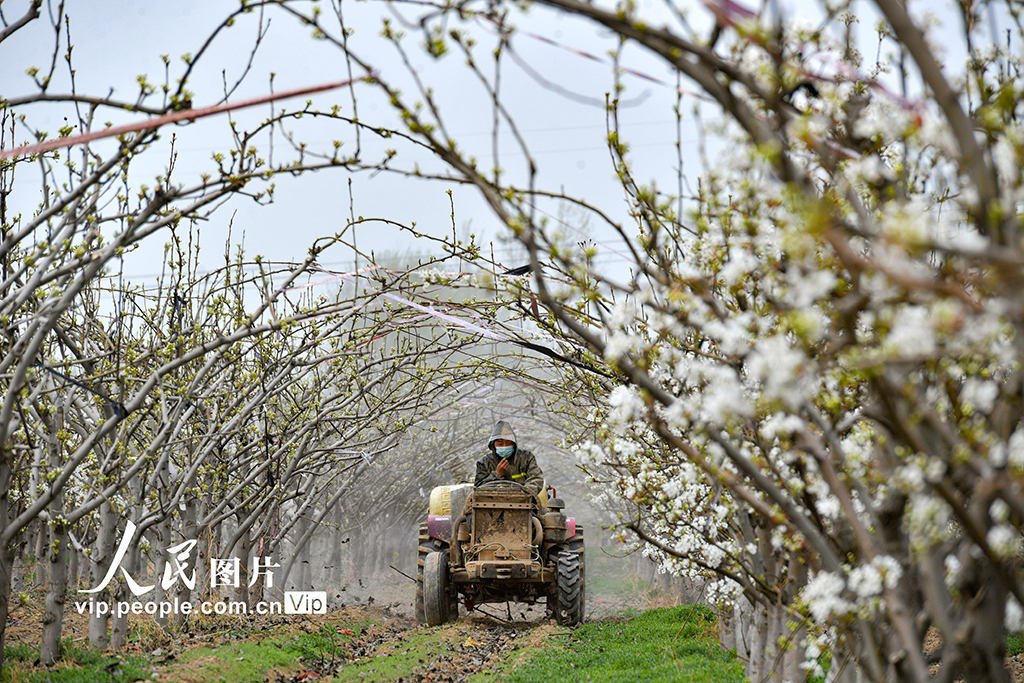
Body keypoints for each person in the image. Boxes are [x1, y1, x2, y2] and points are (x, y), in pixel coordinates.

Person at [475, 420, 544, 494]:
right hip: (491, 502)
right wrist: (496, 475)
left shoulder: (526, 458)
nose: (504, 446)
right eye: (500, 443)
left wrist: (522, 494)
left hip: (523, 501)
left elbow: (536, 479)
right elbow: (478, 488)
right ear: (493, 444)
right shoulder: (484, 463)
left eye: (508, 443)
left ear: (514, 444)